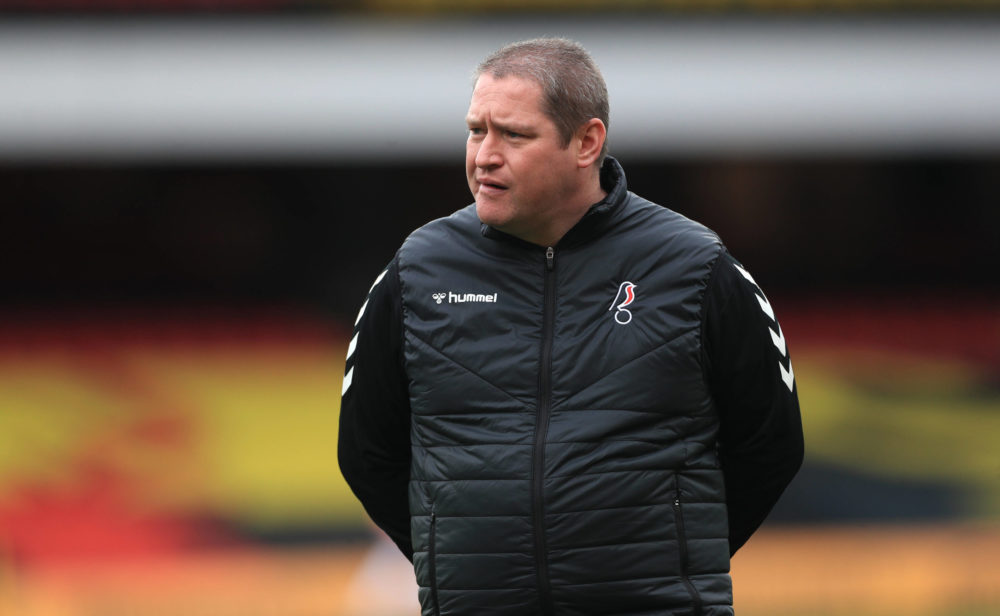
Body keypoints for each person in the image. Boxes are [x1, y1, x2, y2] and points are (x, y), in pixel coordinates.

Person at [338, 38, 803, 616]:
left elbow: (770, 444)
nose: (484, 155)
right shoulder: (418, 270)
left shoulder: (694, 266)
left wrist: (670, 555)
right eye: (476, 130)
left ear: (586, 142)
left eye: (513, 134)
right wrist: (453, 554)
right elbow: (366, 451)